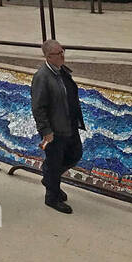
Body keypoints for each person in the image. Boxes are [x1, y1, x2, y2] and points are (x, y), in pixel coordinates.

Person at [30, 40, 85, 214]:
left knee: (75, 154)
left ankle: (49, 178)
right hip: (55, 131)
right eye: (58, 53)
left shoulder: (62, 71)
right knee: (54, 163)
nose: (62, 55)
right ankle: (51, 196)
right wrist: (46, 132)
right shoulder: (42, 77)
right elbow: (38, 107)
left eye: (63, 51)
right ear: (48, 57)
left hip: (70, 125)